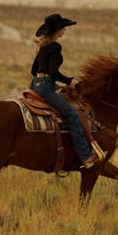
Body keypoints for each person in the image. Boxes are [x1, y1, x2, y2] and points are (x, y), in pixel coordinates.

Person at [30, 13, 100, 170]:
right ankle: (86, 157)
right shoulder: (55, 47)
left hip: (35, 85)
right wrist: (69, 81)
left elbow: (34, 71)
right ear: (58, 31)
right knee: (73, 116)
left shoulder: (42, 47)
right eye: (64, 28)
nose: (65, 30)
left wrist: (48, 81)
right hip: (45, 88)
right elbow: (53, 72)